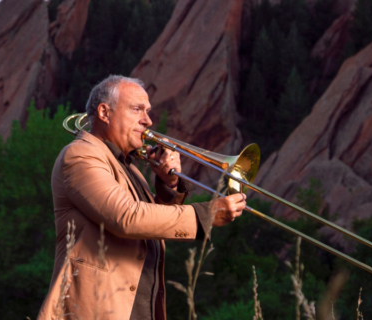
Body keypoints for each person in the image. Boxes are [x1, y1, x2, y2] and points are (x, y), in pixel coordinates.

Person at [36, 75, 247, 320]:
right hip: (97, 309)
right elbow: (126, 217)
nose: (147, 120)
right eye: (137, 110)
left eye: (147, 111)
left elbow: (150, 226)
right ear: (104, 112)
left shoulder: (129, 167)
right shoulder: (81, 155)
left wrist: (168, 185)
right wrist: (204, 215)